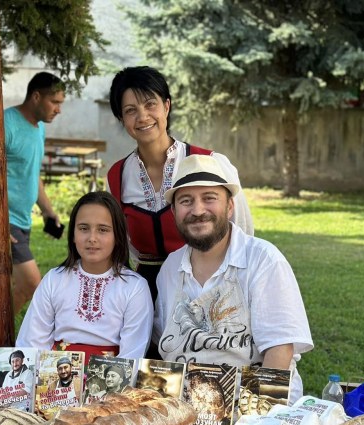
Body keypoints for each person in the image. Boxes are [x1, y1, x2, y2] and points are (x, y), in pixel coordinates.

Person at [153, 154, 313, 402]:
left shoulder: (263, 260)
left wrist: (254, 420)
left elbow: (279, 351)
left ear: (229, 206)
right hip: (188, 409)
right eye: (186, 201)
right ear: (173, 211)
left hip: (255, 405)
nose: (197, 211)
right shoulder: (170, 268)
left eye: (209, 198)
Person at [106, 66, 254, 300]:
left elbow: (243, 231)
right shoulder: (117, 175)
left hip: (207, 284)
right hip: (146, 292)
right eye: (130, 110)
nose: (142, 116)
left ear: (167, 106)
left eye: (150, 104)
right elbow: (121, 245)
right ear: (121, 118)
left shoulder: (211, 162)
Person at [0, 72, 65, 356]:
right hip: (1, 220)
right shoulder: (5, 123)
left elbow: (31, 174)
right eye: (54, 101)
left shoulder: (38, 127)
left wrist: (48, 211)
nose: (58, 109)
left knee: (15, 283)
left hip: (21, 220)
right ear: (36, 96)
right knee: (30, 282)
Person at [16, 190, 153, 362]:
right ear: (73, 234)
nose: (92, 238)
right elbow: (31, 341)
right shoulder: (54, 279)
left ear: (118, 236)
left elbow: (132, 353)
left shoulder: (134, 287)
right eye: (83, 228)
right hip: (54, 378)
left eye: (103, 230)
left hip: (111, 379)